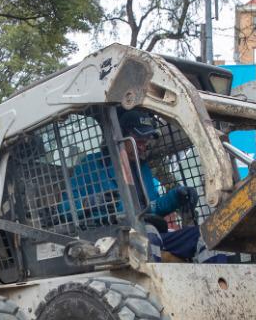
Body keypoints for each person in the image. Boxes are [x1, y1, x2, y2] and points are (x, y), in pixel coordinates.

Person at [67, 108, 203, 259]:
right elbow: (64, 208)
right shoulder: (91, 165)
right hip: (113, 237)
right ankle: (153, 279)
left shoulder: (142, 168)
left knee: (206, 235)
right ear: (120, 138)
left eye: (145, 142)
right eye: (138, 141)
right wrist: (89, 203)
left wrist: (176, 197)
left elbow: (151, 207)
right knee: (148, 232)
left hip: (150, 234)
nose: (143, 147)